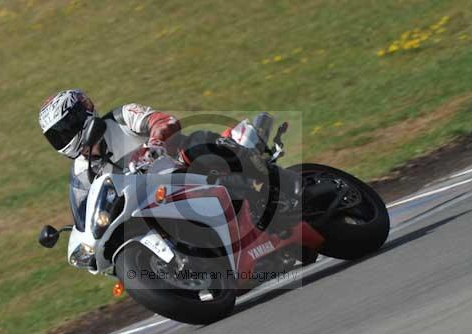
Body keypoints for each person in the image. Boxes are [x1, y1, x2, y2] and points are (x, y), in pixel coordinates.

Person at [38, 89, 303, 231]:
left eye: (66, 127)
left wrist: (155, 143)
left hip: (188, 167)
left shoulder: (121, 117)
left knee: (195, 147)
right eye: (57, 136)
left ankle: (272, 178)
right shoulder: (82, 172)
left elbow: (165, 121)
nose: (65, 137)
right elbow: (87, 208)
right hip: (160, 203)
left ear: (82, 114)